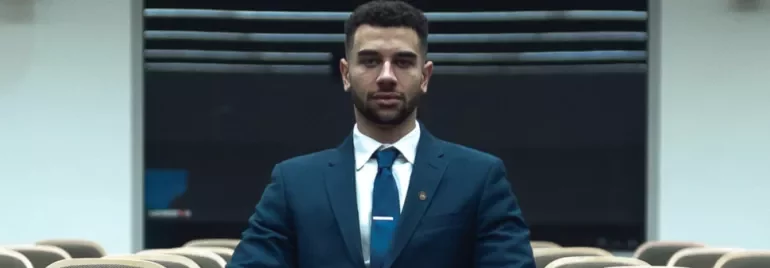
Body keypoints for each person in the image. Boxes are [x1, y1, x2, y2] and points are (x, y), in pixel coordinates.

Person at [227, 1, 536, 267]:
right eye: (370, 61)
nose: (386, 76)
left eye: (402, 62)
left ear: (425, 76)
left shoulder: (479, 178)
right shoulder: (294, 183)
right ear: (346, 74)